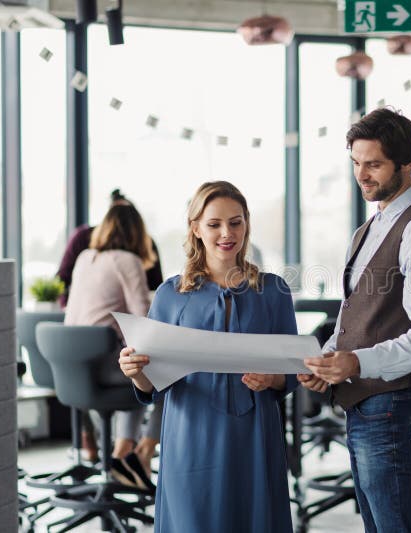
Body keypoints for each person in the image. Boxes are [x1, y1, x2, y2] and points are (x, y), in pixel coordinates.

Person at [299, 108, 411, 533]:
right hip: (369, 409)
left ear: (408, 162)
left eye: (374, 164)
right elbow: (358, 313)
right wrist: (332, 361)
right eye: (356, 162)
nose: (362, 175)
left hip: (398, 410)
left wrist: (356, 363)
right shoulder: (369, 228)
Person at [117, 181, 298, 532]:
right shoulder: (171, 294)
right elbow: (152, 384)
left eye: (236, 222)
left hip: (254, 433)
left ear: (247, 224)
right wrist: (134, 371)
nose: (226, 233)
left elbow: (292, 372)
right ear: (196, 228)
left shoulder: (273, 290)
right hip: (190, 432)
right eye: (214, 224)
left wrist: (272, 378)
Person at [64, 204, 163, 491]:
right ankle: (140, 453)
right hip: (103, 365)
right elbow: (143, 320)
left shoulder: (85, 257)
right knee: (169, 374)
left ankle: (124, 451)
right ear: (137, 233)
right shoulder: (128, 260)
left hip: (73, 370)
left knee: (137, 361)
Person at [57, 188, 164, 308]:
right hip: (116, 324)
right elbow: (144, 313)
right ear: (138, 228)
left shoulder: (84, 257)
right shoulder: (129, 260)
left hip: (72, 325)